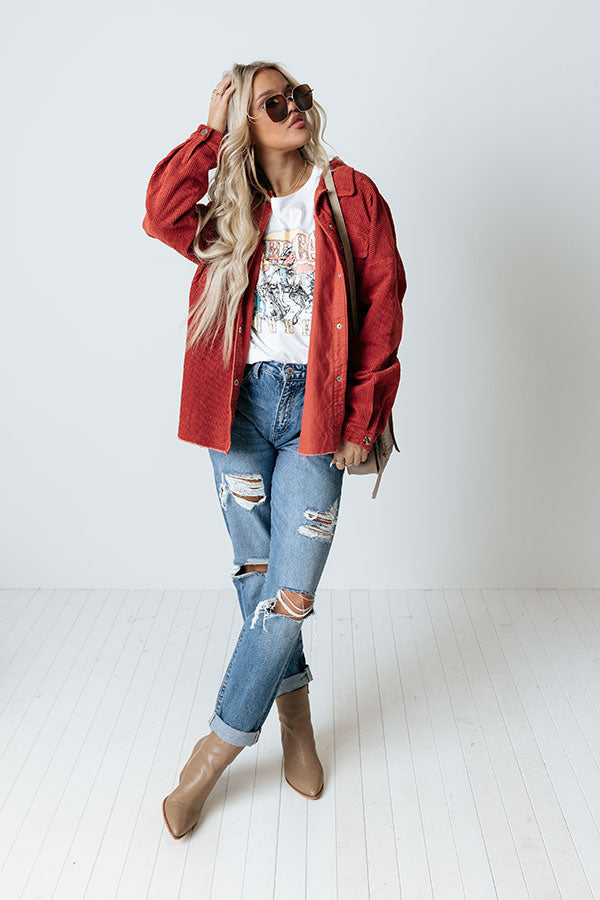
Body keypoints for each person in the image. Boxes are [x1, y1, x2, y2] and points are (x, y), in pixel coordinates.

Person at [142, 60, 406, 840]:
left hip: (318, 413)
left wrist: (363, 420)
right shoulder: (232, 210)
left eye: (299, 97)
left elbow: (383, 309)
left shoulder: (351, 196)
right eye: (273, 102)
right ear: (246, 125)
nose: (294, 109)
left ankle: (211, 756)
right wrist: (207, 129)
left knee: (290, 594)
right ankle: (296, 718)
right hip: (237, 409)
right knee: (257, 574)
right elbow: (159, 214)